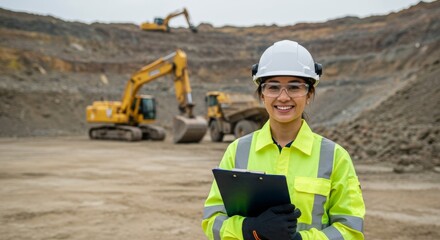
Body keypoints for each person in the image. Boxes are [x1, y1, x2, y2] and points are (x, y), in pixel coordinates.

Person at [202, 40, 365, 240]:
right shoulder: (237, 151)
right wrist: (250, 229)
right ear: (262, 94)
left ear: (309, 94)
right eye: (273, 87)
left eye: (294, 87)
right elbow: (212, 221)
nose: (283, 97)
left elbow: (351, 230)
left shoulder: (334, 157)